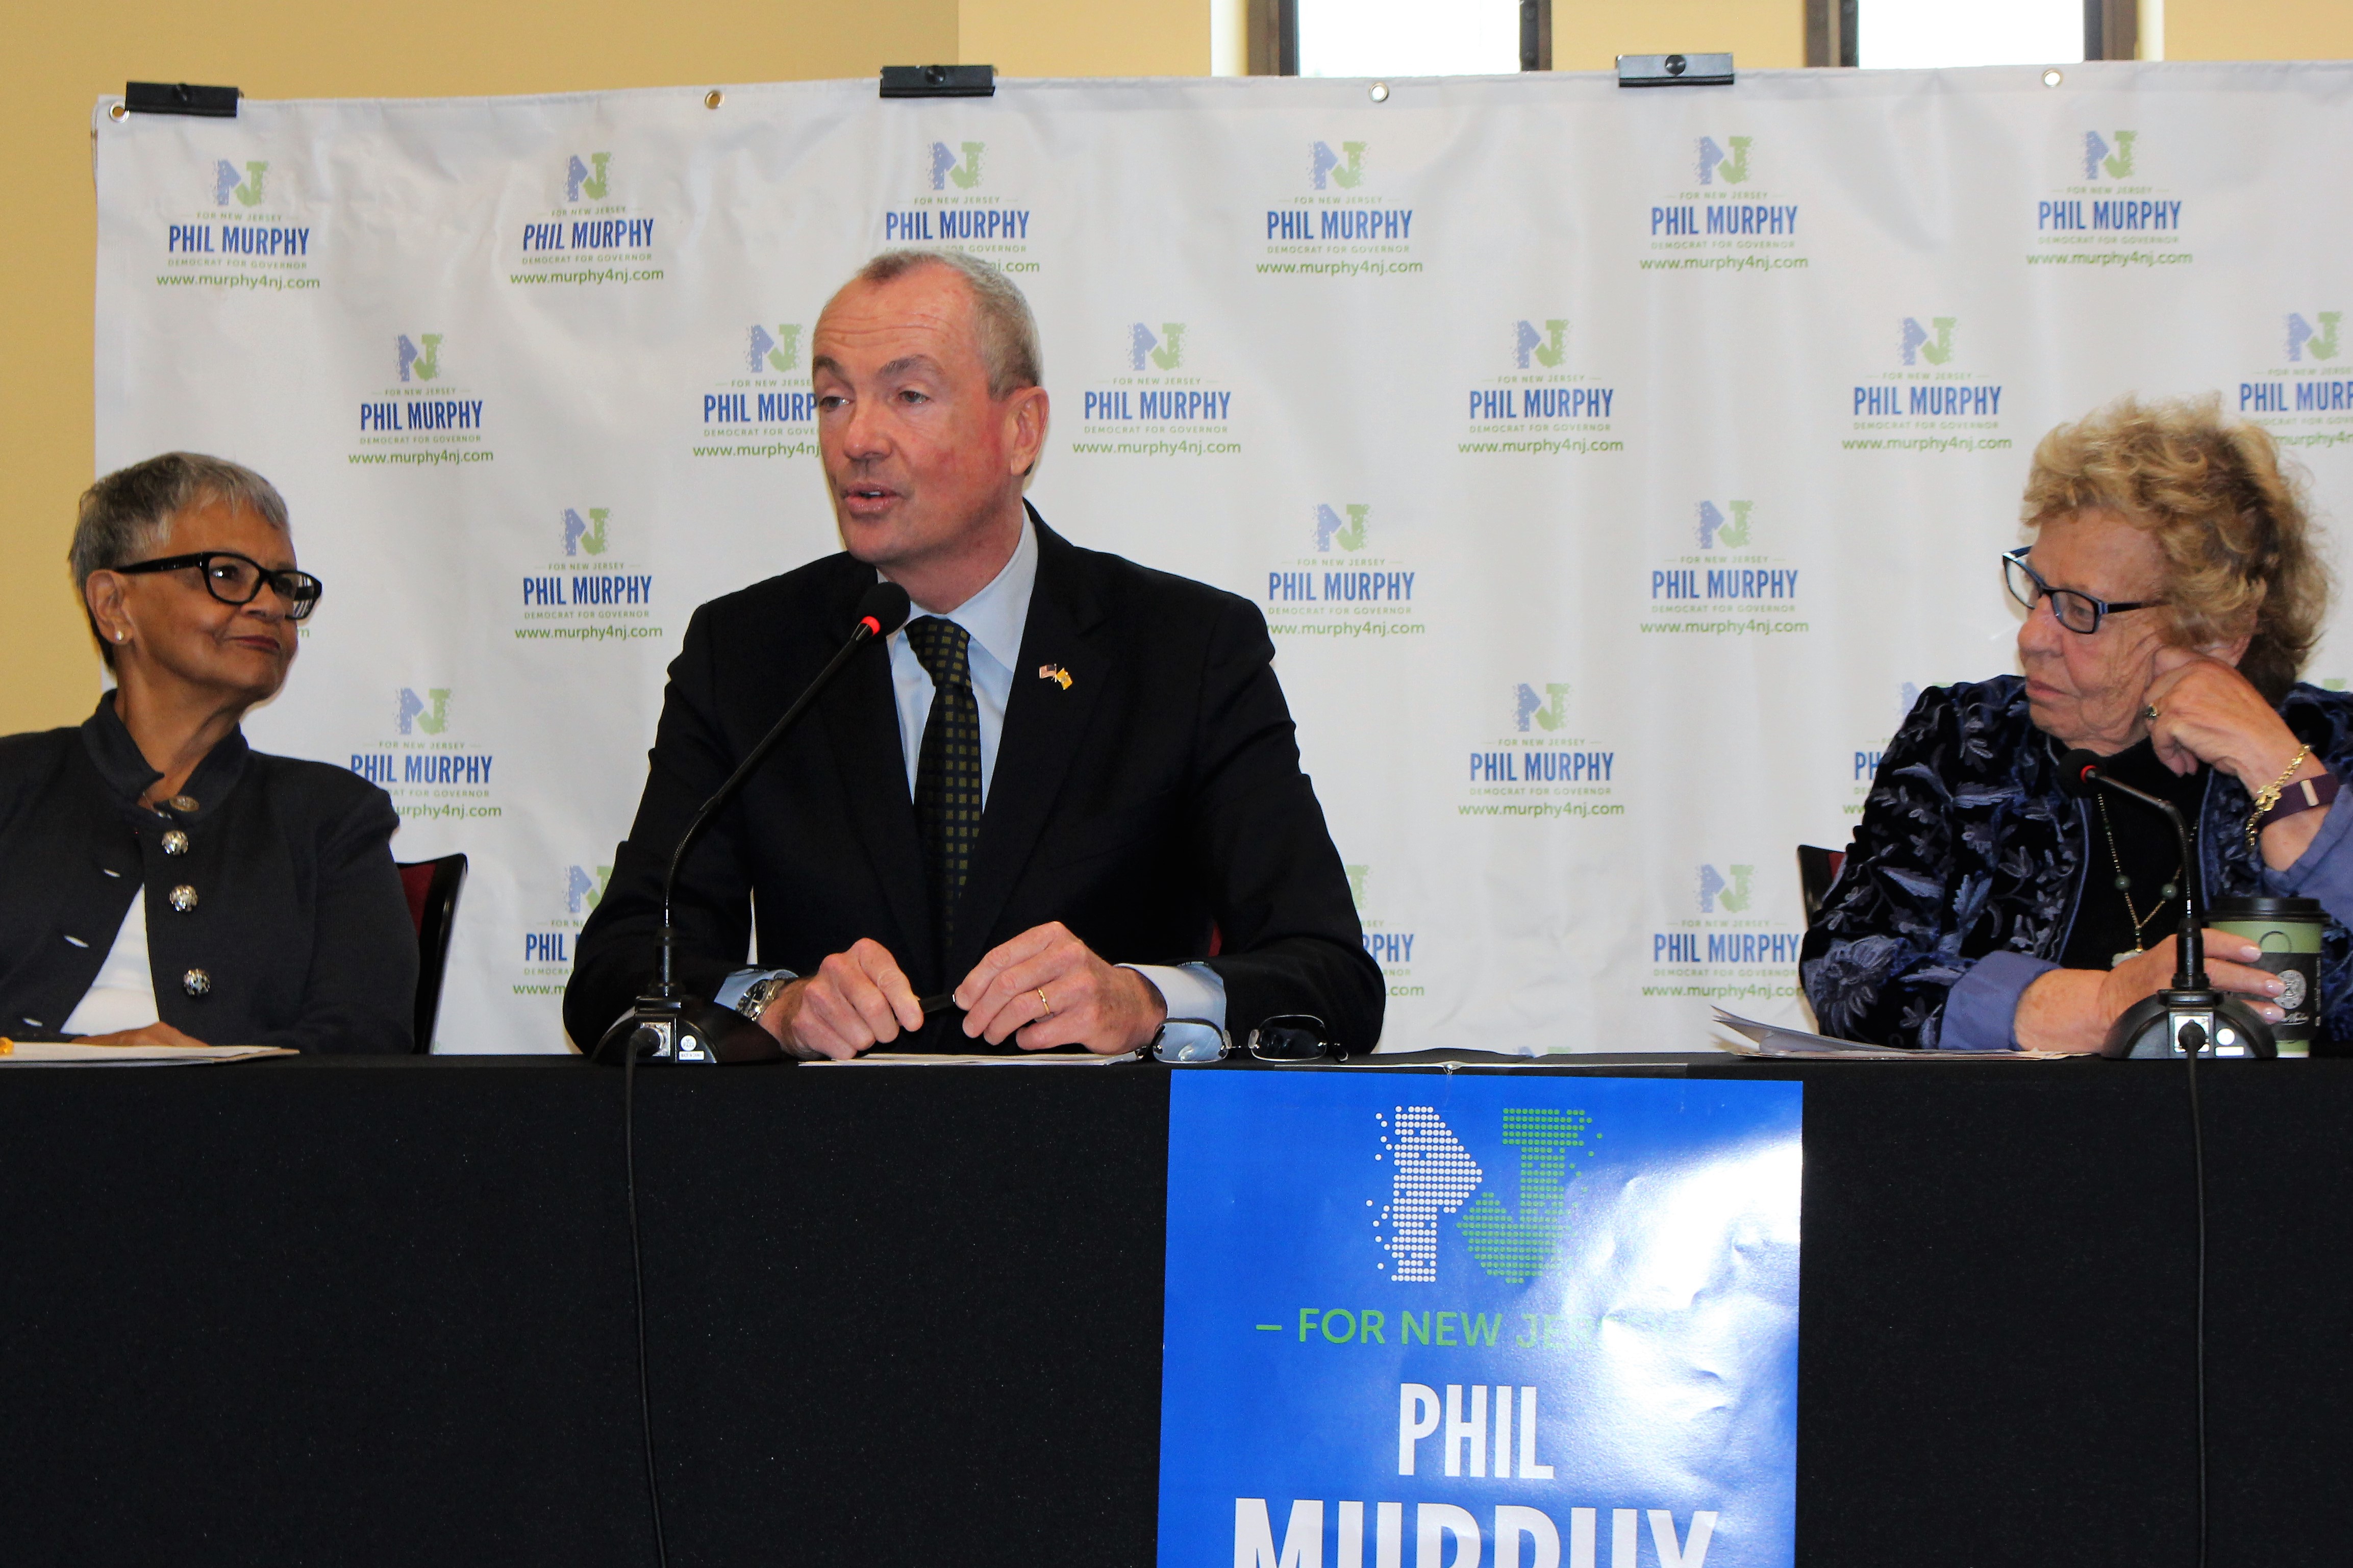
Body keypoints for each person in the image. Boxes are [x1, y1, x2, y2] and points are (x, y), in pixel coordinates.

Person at [566, 250, 1381, 1059]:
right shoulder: (748, 653)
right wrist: (776, 1003)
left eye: (908, 395)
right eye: (833, 398)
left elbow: (1331, 978)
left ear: (1021, 428)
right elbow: (621, 964)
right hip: (819, 1172)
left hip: (1096, 1171)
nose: (857, 438)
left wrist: (1145, 999)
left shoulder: (1184, 651)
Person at [1805, 395, 2353, 1052]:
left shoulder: (2329, 745)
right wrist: (2105, 1003)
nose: (2034, 635)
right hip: (2007, 1147)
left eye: (2079, 609)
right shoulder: (1966, 741)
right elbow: (1846, 971)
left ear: (2214, 630)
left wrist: (2278, 769)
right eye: (2037, 590)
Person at [0, 453, 416, 1052]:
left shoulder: (332, 817)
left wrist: (204, 1085)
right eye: (226, 574)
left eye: (283, 585)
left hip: (239, 1140)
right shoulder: (12, 785)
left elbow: (362, 1043)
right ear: (115, 604)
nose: (270, 605)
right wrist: (76, 1061)